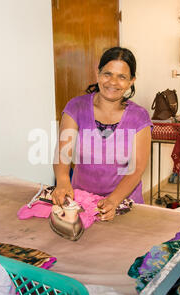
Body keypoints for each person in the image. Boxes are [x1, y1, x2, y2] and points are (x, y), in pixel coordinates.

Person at [52, 47, 152, 221]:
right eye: (107, 74)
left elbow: (136, 169)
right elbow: (63, 153)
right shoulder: (76, 107)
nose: (113, 82)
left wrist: (113, 201)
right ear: (97, 73)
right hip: (81, 202)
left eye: (122, 77)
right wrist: (62, 181)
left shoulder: (139, 117)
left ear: (131, 81)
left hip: (124, 203)